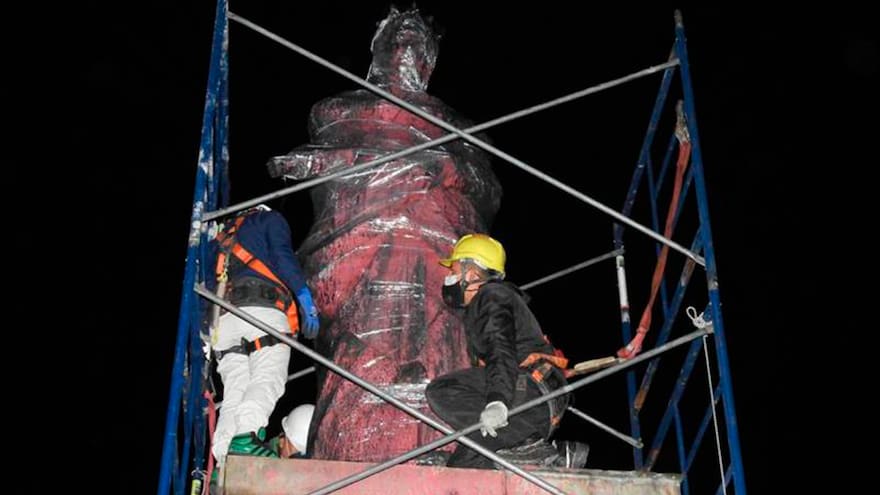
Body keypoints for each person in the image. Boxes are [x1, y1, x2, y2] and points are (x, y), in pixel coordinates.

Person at [425, 233, 589, 470]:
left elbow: (500, 350)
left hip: (527, 391)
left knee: (443, 391)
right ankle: (553, 455)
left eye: (453, 271)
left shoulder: (490, 296)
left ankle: (529, 445)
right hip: (534, 404)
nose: (449, 277)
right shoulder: (495, 301)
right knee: (461, 468)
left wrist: (497, 402)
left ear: (471, 274)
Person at [208, 204, 320, 467]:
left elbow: (207, 282)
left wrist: (206, 335)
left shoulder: (219, 236)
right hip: (262, 310)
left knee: (236, 387)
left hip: (223, 321)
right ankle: (246, 437)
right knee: (269, 376)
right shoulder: (270, 220)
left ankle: (224, 457)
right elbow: (282, 256)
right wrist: (303, 295)